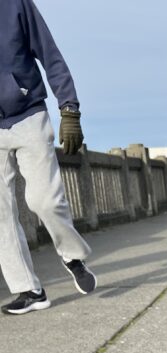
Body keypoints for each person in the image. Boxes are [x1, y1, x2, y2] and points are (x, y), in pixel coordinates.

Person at [0, 0, 97, 316]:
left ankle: (72, 255)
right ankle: (29, 290)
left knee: (44, 201)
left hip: (29, 114)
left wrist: (69, 108)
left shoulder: (15, 4)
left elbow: (50, 54)